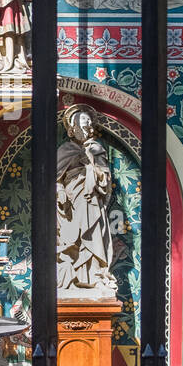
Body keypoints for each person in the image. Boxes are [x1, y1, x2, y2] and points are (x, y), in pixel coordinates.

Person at [55, 105, 118, 292]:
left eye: (89, 121)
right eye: (83, 120)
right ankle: (71, 276)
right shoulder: (65, 149)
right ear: (73, 126)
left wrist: (92, 166)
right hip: (70, 203)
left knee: (93, 235)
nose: (87, 124)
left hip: (91, 200)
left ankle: (95, 276)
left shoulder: (96, 148)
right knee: (71, 238)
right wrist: (59, 190)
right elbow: (55, 178)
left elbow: (105, 179)